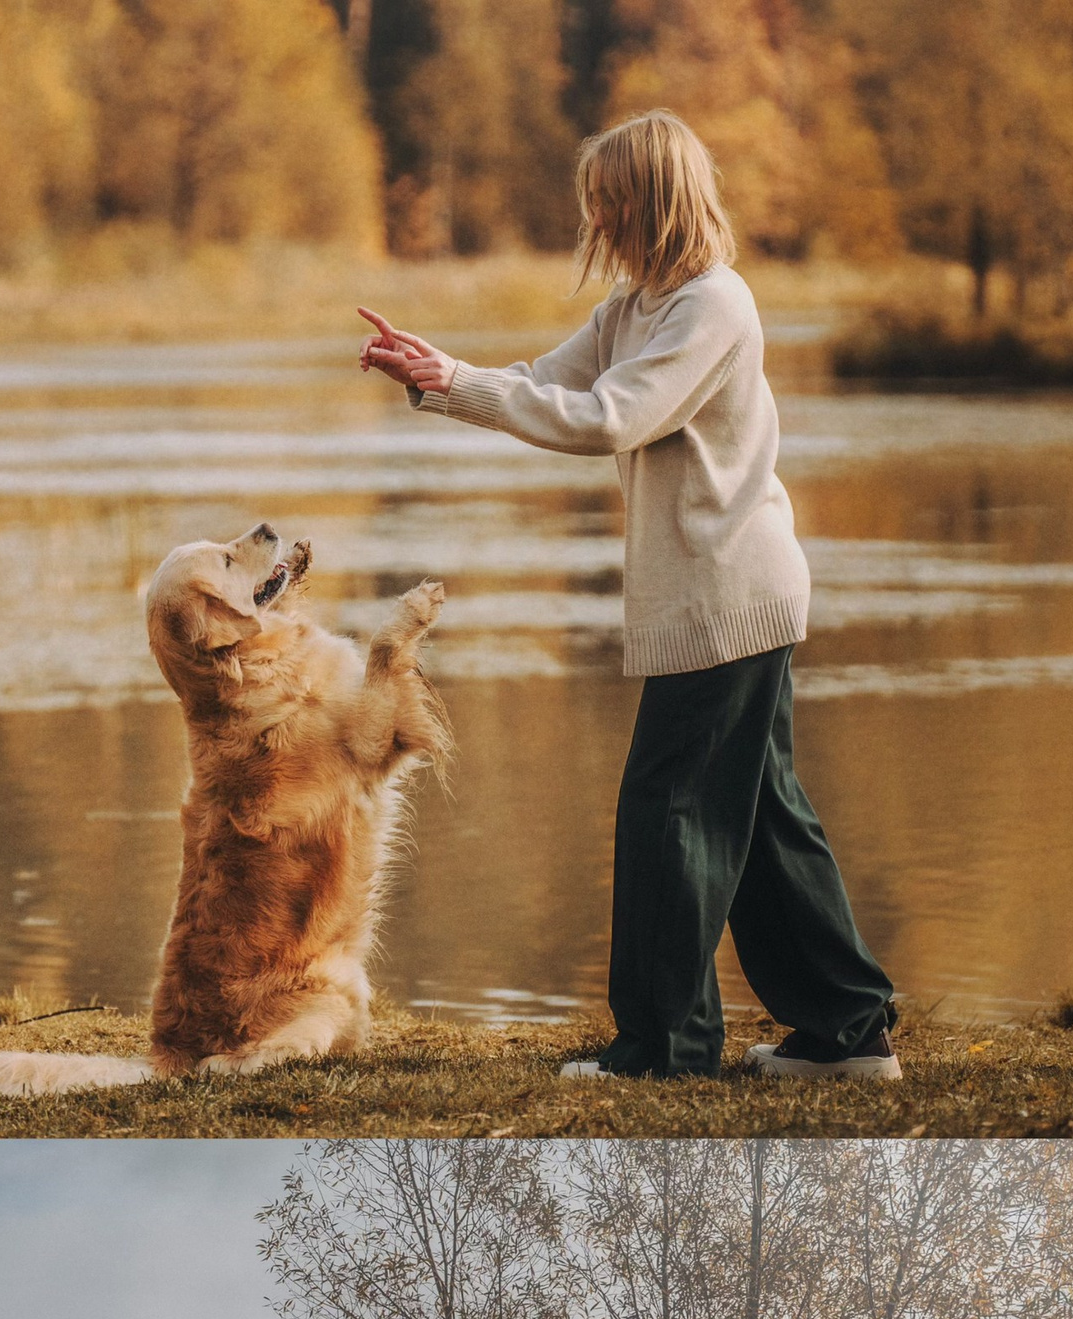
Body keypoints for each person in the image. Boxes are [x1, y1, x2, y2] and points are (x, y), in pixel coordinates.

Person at [359, 110, 901, 1085]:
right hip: (719, 598)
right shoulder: (636, 307)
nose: (595, 220)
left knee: (669, 813)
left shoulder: (712, 306)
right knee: (765, 821)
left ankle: (664, 1050)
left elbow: (610, 419)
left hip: (724, 597)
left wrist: (459, 384)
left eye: (607, 201)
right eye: (591, 203)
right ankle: (848, 1035)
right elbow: (547, 384)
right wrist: (441, 380)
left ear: (650, 200)